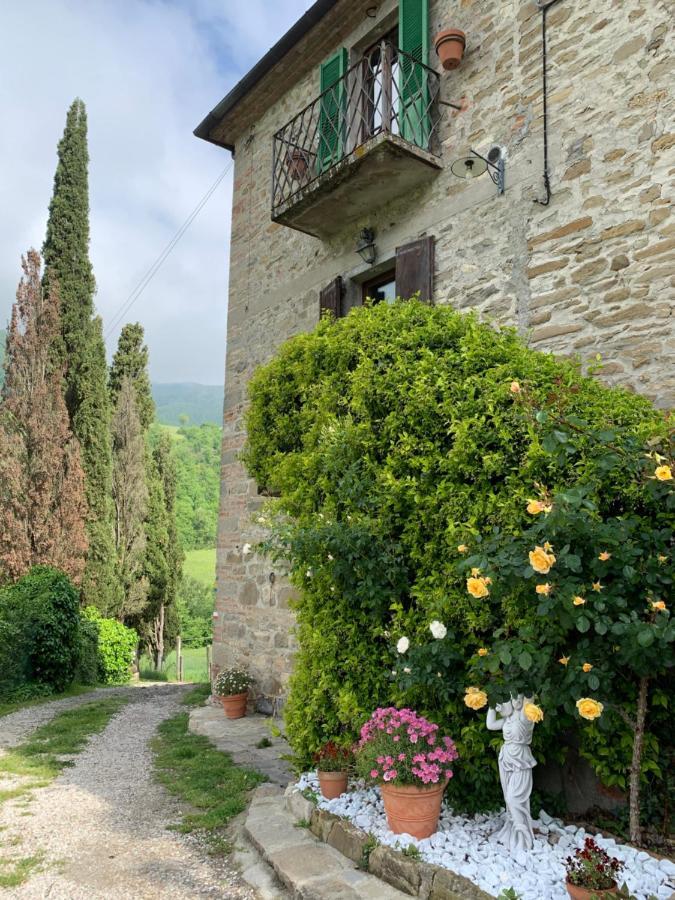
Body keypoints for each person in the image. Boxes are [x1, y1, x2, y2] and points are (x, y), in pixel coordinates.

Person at [486, 695, 536, 851]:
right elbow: (490, 725)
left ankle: (524, 837)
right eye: (513, 697)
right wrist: (493, 705)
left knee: (514, 799)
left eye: (520, 697)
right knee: (508, 800)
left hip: (521, 758)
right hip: (506, 757)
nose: (517, 701)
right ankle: (512, 831)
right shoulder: (507, 719)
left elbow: (529, 697)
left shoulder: (526, 717)